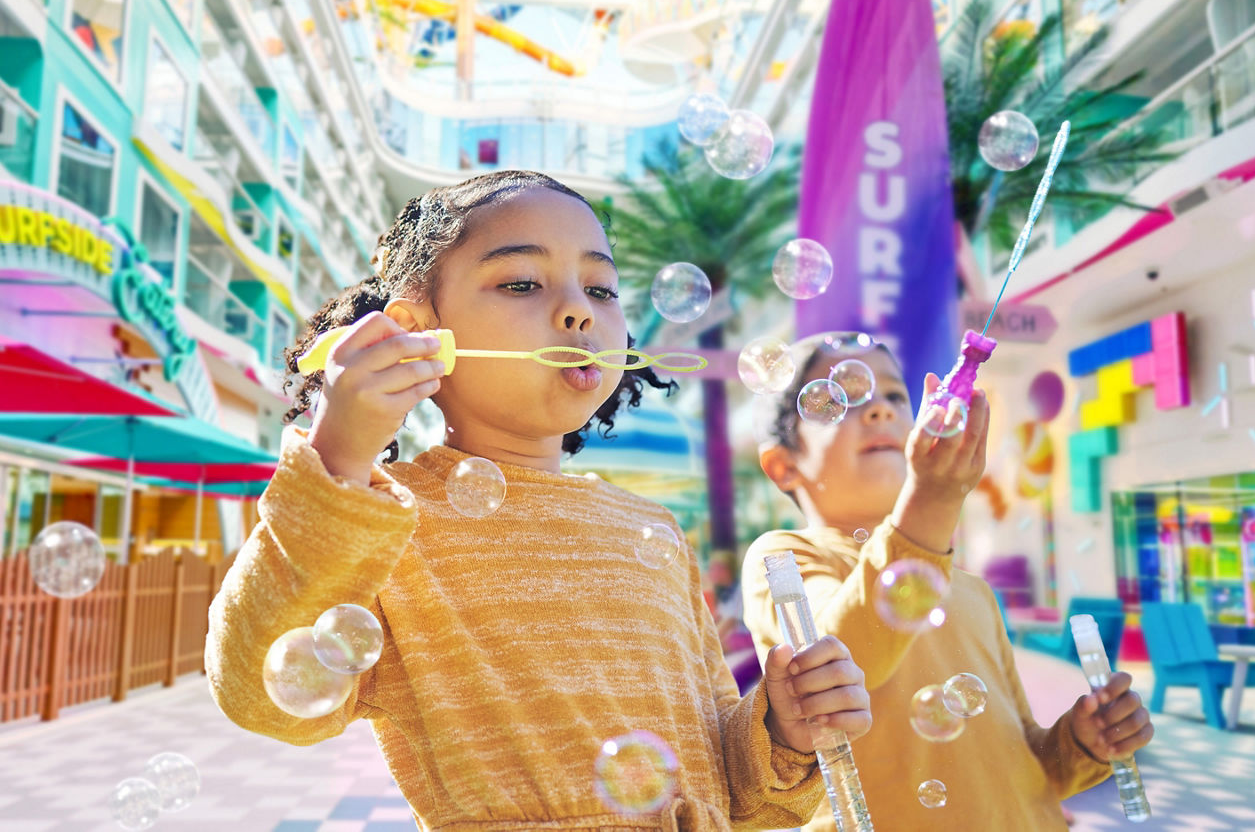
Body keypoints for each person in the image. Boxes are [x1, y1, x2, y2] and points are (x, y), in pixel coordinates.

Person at [205, 172, 873, 830]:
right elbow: (259, 694)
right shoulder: (380, 521)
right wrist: (337, 462)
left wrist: (782, 732)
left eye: (602, 288)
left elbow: (723, 789)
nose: (578, 309)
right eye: (522, 282)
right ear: (416, 331)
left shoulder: (651, 529)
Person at [740, 332, 1154, 831]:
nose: (880, 410)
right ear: (783, 465)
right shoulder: (785, 556)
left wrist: (1081, 744)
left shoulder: (972, 591)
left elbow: (1024, 763)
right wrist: (931, 502)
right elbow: (834, 668)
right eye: (842, 397)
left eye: (894, 394)